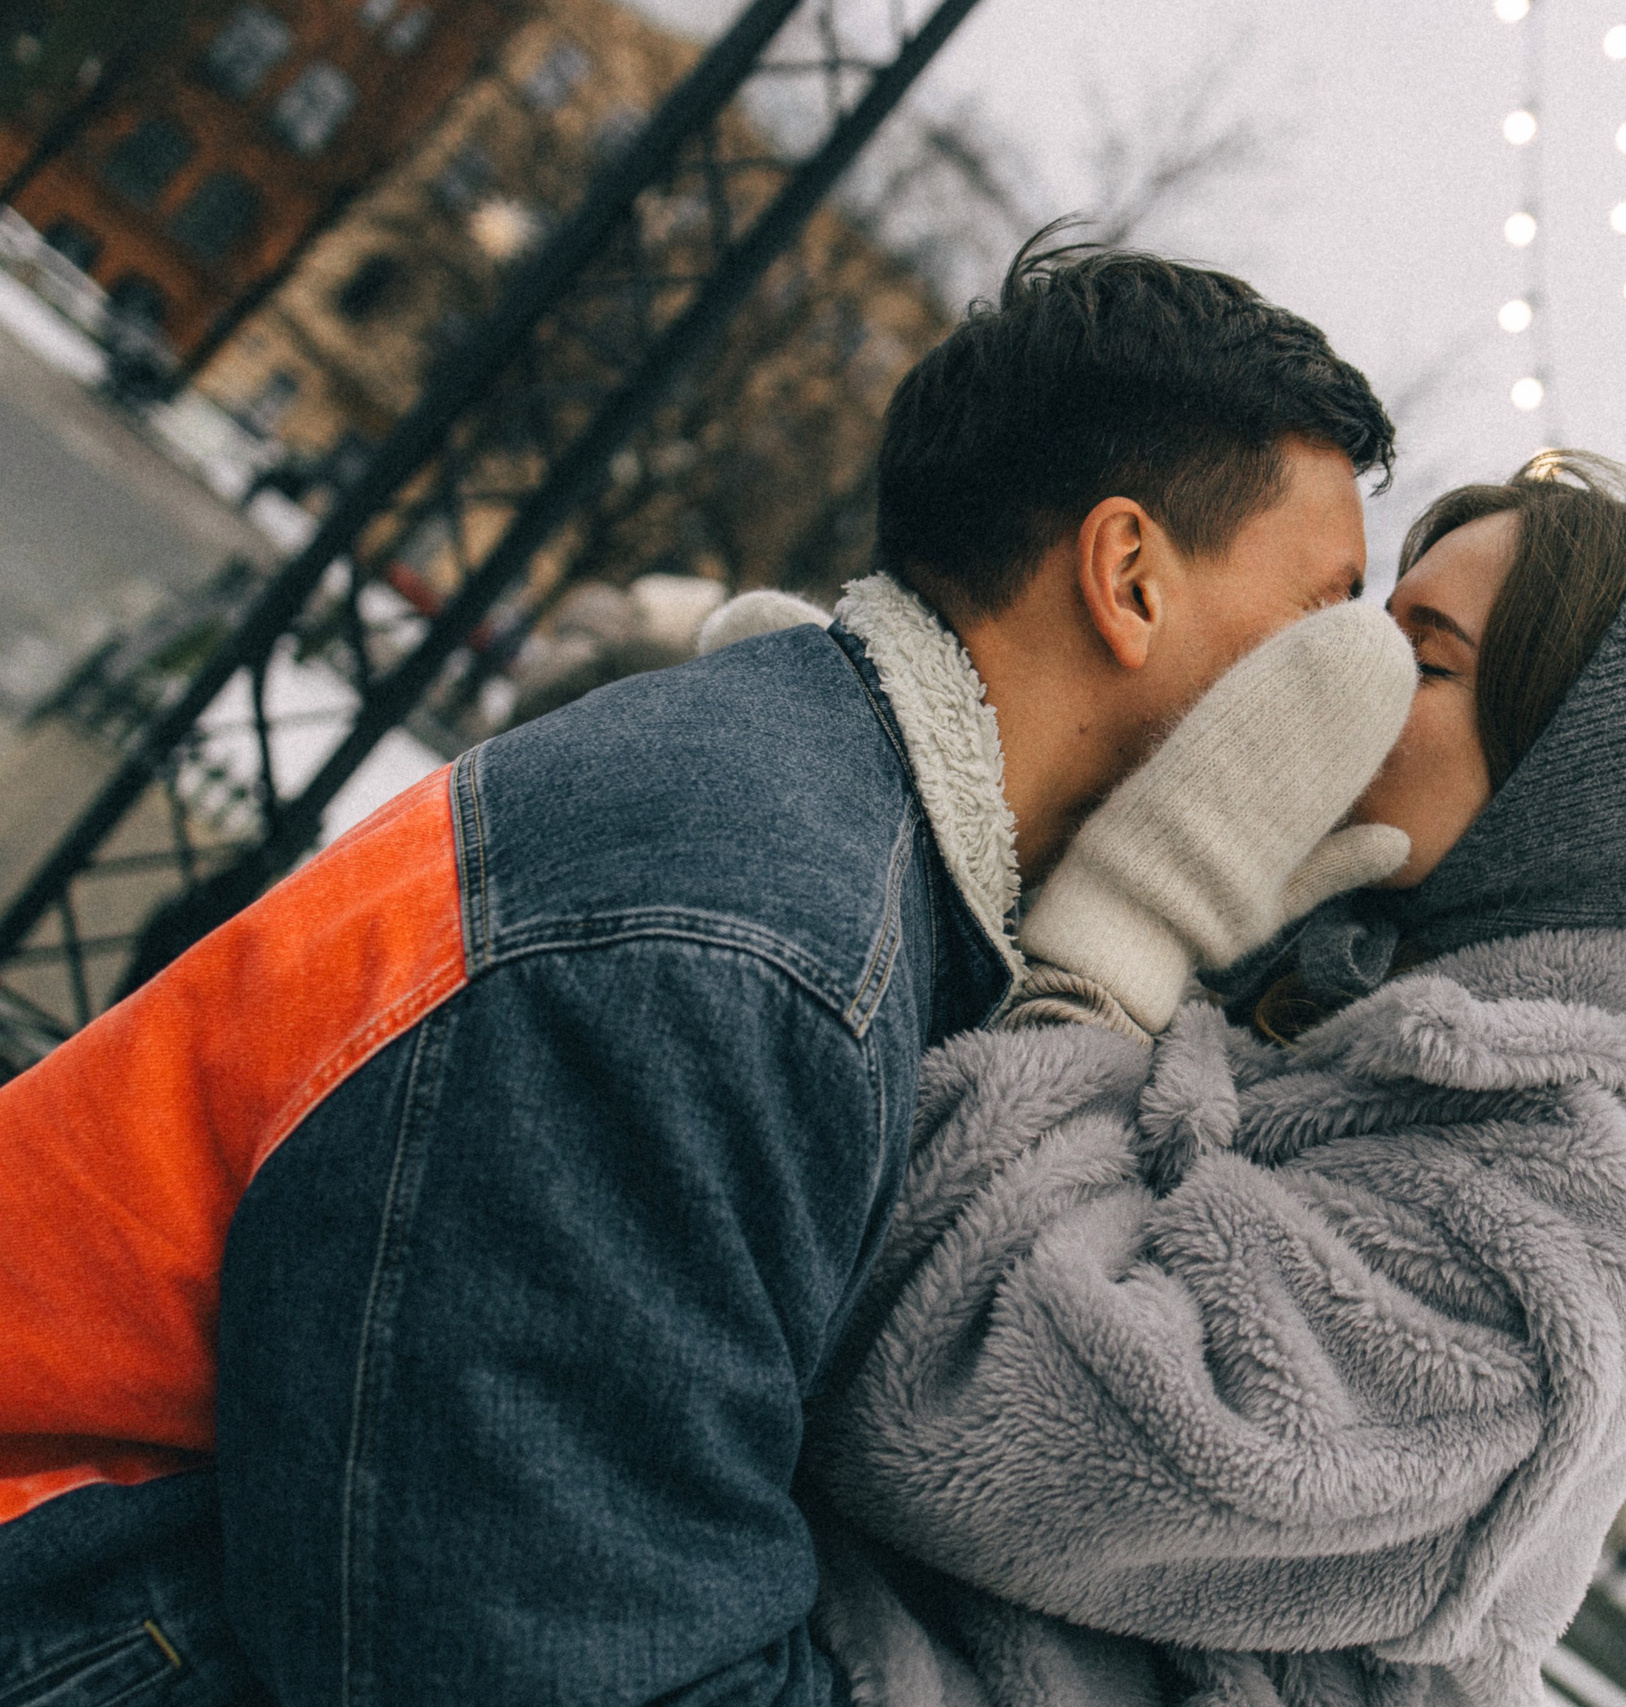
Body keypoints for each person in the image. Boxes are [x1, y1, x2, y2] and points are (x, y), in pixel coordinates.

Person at [0, 236, 1397, 1703]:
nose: (1343, 706)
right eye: (1324, 617)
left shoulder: (800, 833)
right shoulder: (745, 946)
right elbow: (553, 1664)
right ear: (1129, 578)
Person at [798, 453, 1626, 1706]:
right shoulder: (1302, 973)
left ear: (1581, 789)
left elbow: (968, 1403)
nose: (1346, 683)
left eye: (1424, 661)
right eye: (1367, 631)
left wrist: (1109, 951)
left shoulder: (1572, 1234)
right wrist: (875, 796)